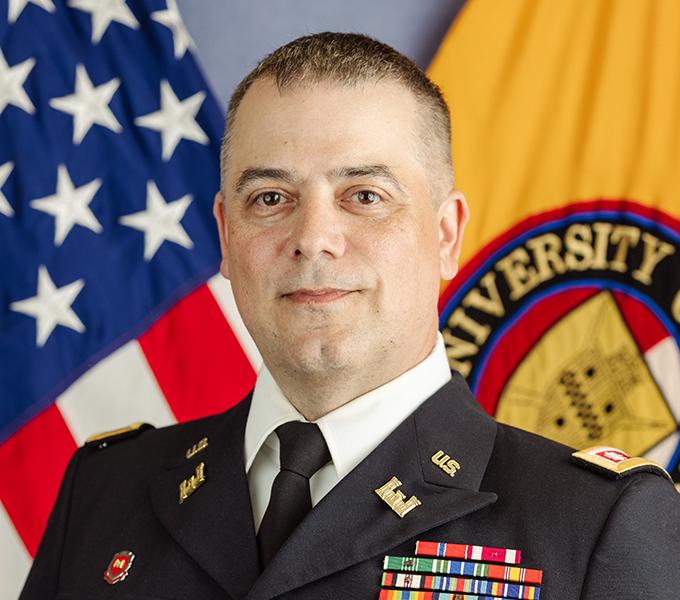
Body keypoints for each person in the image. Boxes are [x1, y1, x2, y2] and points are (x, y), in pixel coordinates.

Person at [21, 32, 680, 600]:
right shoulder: (106, 492)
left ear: (447, 235)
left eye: (364, 195)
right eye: (271, 198)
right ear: (225, 238)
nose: (314, 237)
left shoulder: (595, 522)